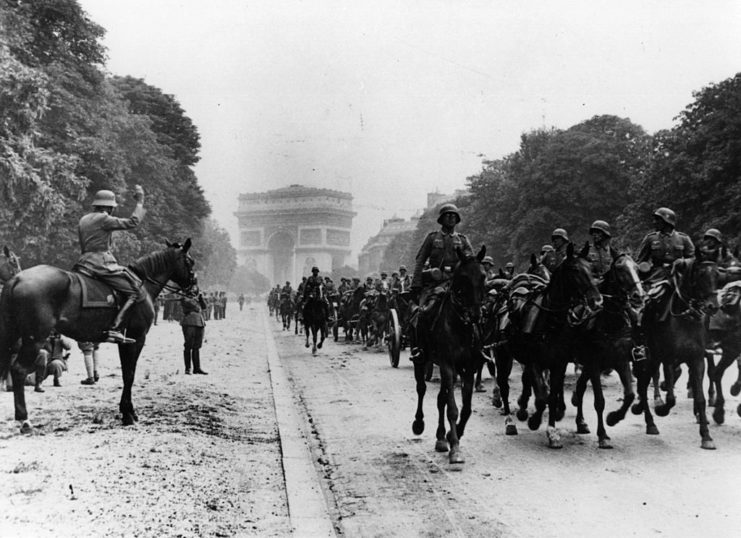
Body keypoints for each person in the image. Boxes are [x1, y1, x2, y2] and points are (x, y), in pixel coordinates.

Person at [73, 186, 146, 343]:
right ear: (108, 207)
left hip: (83, 262)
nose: (112, 210)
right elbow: (133, 222)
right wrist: (139, 202)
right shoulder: (104, 219)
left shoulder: (84, 219)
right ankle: (115, 329)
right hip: (100, 263)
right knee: (134, 291)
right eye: (112, 207)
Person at [409, 203, 474, 362]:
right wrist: (416, 284)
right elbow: (420, 261)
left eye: (454, 216)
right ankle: (420, 349)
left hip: (456, 285)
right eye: (448, 215)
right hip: (434, 284)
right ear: (442, 219)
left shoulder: (463, 240)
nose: (451, 218)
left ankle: (476, 349)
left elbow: (471, 263)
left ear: (457, 219)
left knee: (475, 313)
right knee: (423, 312)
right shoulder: (432, 238)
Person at [635, 207, 694, 286]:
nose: (654, 222)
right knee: (649, 296)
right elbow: (640, 261)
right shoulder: (650, 238)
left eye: (657, 220)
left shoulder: (683, 238)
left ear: (667, 221)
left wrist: (682, 262)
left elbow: (694, 259)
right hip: (656, 277)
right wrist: (644, 267)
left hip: (679, 276)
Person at [181, 285, 208, 375]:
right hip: (189, 322)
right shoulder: (185, 298)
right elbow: (195, 306)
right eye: (191, 289)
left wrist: (201, 298)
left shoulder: (197, 298)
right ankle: (187, 368)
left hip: (199, 323)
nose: (193, 290)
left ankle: (197, 368)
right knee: (188, 346)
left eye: (195, 289)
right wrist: (195, 298)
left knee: (197, 347)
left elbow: (204, 307)